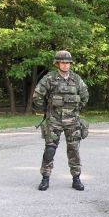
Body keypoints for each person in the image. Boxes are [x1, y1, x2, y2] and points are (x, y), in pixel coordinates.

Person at [33, 50, 89, 191]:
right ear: (57, 63)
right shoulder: (49, 78)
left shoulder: (76, 79)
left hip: (72, 121)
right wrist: (47, 109)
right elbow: (37, 96)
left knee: (74, 149)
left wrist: (75, 110)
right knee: (50, 149)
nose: (65, 65)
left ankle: (76, 179)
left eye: (67, 63)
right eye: (62, 62)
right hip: (54, 120)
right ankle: (45, 178)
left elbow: (85, 96)